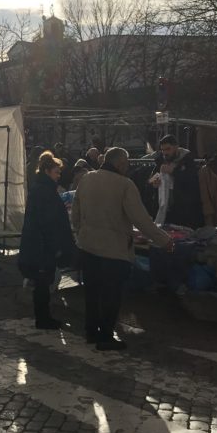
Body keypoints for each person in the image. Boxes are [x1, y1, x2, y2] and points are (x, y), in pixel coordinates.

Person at [72, 147, 172, 351]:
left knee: (92, 292)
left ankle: (91, 331)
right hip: (113, 250)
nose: (128, 167)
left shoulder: (87, 179)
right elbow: (141, 219)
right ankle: (106, 337)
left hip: (88, 246)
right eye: (126, 163)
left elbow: (76, 210)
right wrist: (164, 240)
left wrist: (79, 232)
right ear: (119, 163)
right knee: (110, 295)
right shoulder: (125, 185)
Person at [19, 151, 75, 329]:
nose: (59, 176)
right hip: (42, 246)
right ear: (47, 171)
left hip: (38, 244)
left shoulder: (39, 189)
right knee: (43, 282)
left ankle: (43, 316)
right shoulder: (45, 192)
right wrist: (56, 245)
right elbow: (49, 223)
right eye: (56, 172)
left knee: (42, 283)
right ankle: (43, 318)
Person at [149, 136, 202, 227]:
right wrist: (154, 182)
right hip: (164, 210)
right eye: (163, 150)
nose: (165, 152)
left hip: (183, 210)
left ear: (176, 147)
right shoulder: (161, 161)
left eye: (168, 149)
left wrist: (174, 172)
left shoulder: (187, 160)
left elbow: (192, 180)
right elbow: (151, 179)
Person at [198, 155, 217, 227]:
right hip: (210, 208)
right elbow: (205, 193)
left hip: (216, 205)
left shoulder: (212, 173)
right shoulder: (205, 172)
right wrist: (208, 209)